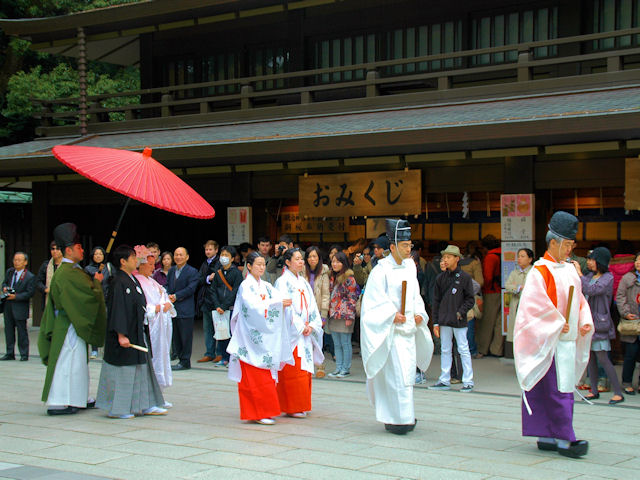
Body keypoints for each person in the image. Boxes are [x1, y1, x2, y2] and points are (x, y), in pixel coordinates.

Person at [514, 211, 593, 458]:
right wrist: (557, 323)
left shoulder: (570, 269)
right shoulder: (540, 271)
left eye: (572, 245)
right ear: (553, 242)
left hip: (565, 340)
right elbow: (533, 308)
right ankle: (562, 438)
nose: (570, 249)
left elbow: (579, 299)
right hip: (548, 341)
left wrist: (583, 320)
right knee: (555, 389)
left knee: (561, 387)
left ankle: (547, 435)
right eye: (567, 244)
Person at [360, 219, 434, 435]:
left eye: (409, 245)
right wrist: (391, 315)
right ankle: (398, 419)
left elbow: (415, 295)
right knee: (396, 377)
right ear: (392, 247)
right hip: (391, 333)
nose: (408, 249)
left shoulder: (410, 266)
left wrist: (419, 313)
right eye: (404, 246)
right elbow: (372, 302)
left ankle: (404, 415)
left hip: (408, 331)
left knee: (407, 375)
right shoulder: (380, 270)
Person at [38, 223, 107, 415]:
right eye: (79, 247)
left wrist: (94, 283)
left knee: (76, 362)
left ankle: (77, 398)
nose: (83, 249)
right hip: (68, 324)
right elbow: (85, 297)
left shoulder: (73, 270)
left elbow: (84, 292)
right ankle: (62, 400)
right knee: (67, 362)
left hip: (72, 323)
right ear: (69, 250)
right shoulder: (67, 272)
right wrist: (96, 284)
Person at [96, 245, 167, 419]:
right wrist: (121, 334)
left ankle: (146, 404)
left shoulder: (132, 280)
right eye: (133, 258)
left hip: (137, 330)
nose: (137, 261)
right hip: (124, 333)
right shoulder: (117, 281)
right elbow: (118, 310)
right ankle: (118, 408)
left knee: (143, 368)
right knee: (124, 371)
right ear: (123, 261)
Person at [227, 252, 293, 425]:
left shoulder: (266, 285)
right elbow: (252, 309)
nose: (261, 268)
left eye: (263, 264)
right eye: (258, 264)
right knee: (253, 377)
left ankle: (265, 411)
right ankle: (257, 412)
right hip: (250, 338)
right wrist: (277, 304)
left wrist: (281, 303)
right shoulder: (245, 286)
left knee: (265, 376)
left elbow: (276, 299)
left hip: (265, 339)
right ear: (249, 266)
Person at [274, 248, 324, 418]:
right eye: (297, 259)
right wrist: (300, 326)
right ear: (287, 262)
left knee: (304, 369)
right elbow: (286, 308)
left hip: (305, 330)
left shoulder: (302, 282)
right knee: (292, 370)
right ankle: (292, 406)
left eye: (302, 259)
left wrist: (312, 324)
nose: (301, 262)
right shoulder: (282, 282)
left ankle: (302, 404)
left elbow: (312, 305)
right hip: (292, 332)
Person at [574, 247, 624, 404]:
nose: (589, 262)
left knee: (603, 358)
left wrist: (579, 274)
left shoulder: (608, 278)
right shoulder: (590, 275)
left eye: (592, 259)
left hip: (600, 323)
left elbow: (591, 289)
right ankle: (593, 390)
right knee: (590, 358)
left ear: (600, 261)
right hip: (588, 322)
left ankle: (618, 392)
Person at [429, 245, 476, 392]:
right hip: (444, 320)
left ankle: (468, 380)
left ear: (457, 259)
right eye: (445, 257)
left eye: (449, 257)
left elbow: (470, 299)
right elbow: (435, 301)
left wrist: (461, 312)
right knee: (445, 349)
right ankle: (444, 379)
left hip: (458, 319)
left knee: (463, 349)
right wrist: (435, 321)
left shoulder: (465, 277)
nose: (446, 260)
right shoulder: (440, 278)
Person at [134, 245, 175, 400]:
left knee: (161, 356)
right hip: (152, 325)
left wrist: (167, 302)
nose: (153, 267)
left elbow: (163, 296)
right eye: (150, 264)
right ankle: (152, 395)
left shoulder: (151, 281)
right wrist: (158, 307)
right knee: (154, 358)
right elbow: (145, 305)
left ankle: (159, 394)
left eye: (153, 264)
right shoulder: (139, 281)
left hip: (160, 324)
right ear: (141, 264)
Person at [207, 245, 243, 367]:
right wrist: (217, 305)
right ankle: (223, 357)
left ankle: (232, 358)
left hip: (231, 308)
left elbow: (235, 291)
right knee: (221, 334)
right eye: (222, 255)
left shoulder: (237, 273)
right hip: (219, 309)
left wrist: (224, 305)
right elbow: (213, 290)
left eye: (226, 255)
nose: (223, 258)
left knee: (232, 334)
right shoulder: (218, 273)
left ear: (232, 258)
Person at [166, 247, 200, 370]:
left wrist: (176, 296)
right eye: (176, 254)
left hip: (186, 309)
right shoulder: (171, 271)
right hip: (173, 309)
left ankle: (185, 361)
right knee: (176, 336)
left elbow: (191, 288)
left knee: (185, 337)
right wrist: (168, 295)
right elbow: (167, 285)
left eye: (181, 255)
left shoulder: (192, 271)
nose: (178, 257)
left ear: (187, 257)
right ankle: (180, 359)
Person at [327, 251, 359, 378]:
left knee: (345, 343)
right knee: (337, 343)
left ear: (343, 263)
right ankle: (338, 367)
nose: (335, 264)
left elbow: (352, 298)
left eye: (338, 261)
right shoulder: (331, 277)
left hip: (345, 315)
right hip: (333, 314)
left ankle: (345, 368)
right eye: (333, 261)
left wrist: (350, 316)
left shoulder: (349, 278)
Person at [1, 252, 36, 361]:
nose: (16, 262)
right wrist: (5, 288)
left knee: (22, 331)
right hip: (8, 306)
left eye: (19, 260)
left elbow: (30, 293)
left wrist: (16, 297)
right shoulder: (10, 272)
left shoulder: (30, 276)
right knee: (9, 331)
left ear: (25, 262)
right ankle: (9, 352)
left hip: (20, 306)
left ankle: (24, 354)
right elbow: (4, 283)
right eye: (15, 260)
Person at [616, 251, 640, 395]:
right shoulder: (628, 278)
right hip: (632, 321)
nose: (638, 263)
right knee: (630, 354)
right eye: (637, 260)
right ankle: (627, 382)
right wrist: (625, 312)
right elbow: (620, 296)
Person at [304, 246, 331, 377]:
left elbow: (326, 294)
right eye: (309, 256)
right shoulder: (302, 271)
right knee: (305, 338)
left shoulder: (324, 272)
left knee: (318, 337)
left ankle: (320, 366)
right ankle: (307, 365)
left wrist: (324, 314)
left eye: (315, 256)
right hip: (305, 310)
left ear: (319, 258)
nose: (312, 259)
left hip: (318, 310)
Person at [84, 246, 115, 359]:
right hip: (94, 301)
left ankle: (107, 349)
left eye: (100, 254)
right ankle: (94, 350)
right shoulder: (88, 269)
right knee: (95, 326)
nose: (98, 256)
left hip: (106, 300)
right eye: (96, 254)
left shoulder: (109, 267)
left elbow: (114, 280)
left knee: (107, 325)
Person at [478, 235, 503, 357]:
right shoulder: (503, 253)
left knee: (487, 322)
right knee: (499, 321)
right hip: (502, 290)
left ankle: (483, 349)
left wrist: (482, 289)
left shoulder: (490, 257)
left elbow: (487, 277)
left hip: (491, 291)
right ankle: (496, 349)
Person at [197, 240, 220, 363]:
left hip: (216, 300)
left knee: (219, 327)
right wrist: (207, 278)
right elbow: (198, 279)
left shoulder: (220, 262)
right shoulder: (204, 263)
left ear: (216, 250)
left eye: (210, 249)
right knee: (208, 328)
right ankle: (209, 352)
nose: (208, 251)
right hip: (205, 299)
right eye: (206, 249)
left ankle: (220, 353)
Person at [505, 248, 534, 345]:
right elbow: (507, 286)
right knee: (516, 330)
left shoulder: (534, 272)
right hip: (516, 304)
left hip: (530, 306)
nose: (519, 259)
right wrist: (518, 287)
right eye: (518, 256)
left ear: (530, 259)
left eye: (522, 256)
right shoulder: (514, 273)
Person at [35, 241, 64, 310]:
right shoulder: (46, 265)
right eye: (53, 249)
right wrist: (45, 289)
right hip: (48, 300)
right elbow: (38, 282)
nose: (55, 251)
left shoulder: (68, 265)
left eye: (57, 249)